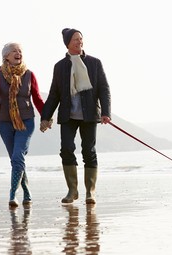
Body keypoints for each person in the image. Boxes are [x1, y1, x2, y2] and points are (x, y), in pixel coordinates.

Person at [40, 28, 111, 204]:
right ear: (67, 43)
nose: (79, 42)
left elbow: (104, 88)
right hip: (68, 116)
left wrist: (106, 112)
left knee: (89, 151)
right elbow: (54, 94)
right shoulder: (60, 66)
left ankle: (90, 192)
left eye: (81, 39)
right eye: (75, 40)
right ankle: (72, 191)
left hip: (89, 115)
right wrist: (45, 116)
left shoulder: (94, 63)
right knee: (66, 149)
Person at [0, 42, 44, 208]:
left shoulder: (29, 74)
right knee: (15, 159)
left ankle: (13, 194)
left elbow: (37, 98)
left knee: (18, 155)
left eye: (20, 51)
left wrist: (46, 116)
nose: (18, 53)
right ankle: (26, 191)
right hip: (5, 122)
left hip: (26, 121)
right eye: (14, 51)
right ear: (6, 56)